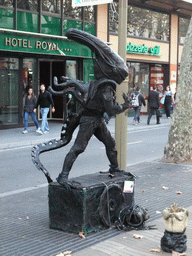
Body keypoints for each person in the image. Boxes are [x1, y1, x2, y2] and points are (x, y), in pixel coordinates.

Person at [56, 81, 131, 187]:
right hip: (89, 120)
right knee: (78, 148)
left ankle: (114, 168)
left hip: (98, 119)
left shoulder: (101, 84)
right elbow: (111, 110)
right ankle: (63, 176)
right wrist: (125, 106)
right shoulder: (105, 87)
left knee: (110, 143)